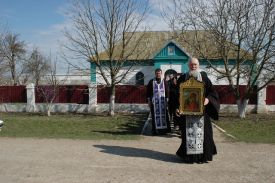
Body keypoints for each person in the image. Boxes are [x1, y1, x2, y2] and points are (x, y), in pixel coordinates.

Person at [174, 57, 220, 163]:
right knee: (188, 135)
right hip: (187, 113)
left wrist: (208, 100)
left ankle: (202, 158)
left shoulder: (204, 77)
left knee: (205, 135)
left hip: (202, 113)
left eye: (195, 64)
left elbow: (212, 92)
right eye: (191, 64)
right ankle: (190, 158)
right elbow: (177, 95)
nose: (193, 66)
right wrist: (177, 107)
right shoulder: (183, 78)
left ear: (198, 65)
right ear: (188, 65)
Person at [146, 68, 171, 135]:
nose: (158, 74)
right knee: (154, 116)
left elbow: (167, 91)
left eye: (159, 73)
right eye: (157, 73)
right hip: (155, 103)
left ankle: (164, 131)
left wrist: (167, 99)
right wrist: (148, 100)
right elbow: (148, 92)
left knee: (164, 116)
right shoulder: (151, 81)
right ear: (155, 74)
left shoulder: (164, 81)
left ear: (161, 74)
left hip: (163, 102)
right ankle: (155, 131)